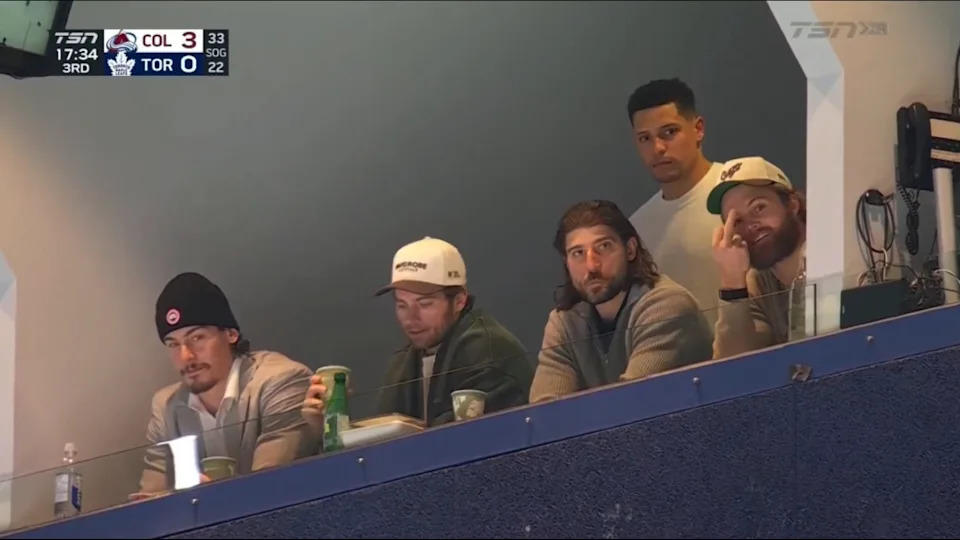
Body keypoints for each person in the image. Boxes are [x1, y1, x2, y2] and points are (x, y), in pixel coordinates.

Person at [301, 237, 533, 429]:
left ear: (459, 300)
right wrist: (329, 426)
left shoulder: (487, 350)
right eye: (402, 304)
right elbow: (385, 444)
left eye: (424, 304)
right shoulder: (404, 360)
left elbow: (462, 446)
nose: (410, 318)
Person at [136, 272, 318, 496]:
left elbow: (272, 488)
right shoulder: (165, 406)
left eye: (197, 338)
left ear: (231, 334)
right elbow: (147, 504)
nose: (186, 356)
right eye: (173, 344)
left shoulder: (281, 380)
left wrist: (208, 500)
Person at [529, 200, 713, 403]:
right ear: (567, 263)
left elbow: (630, 404)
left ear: (630, 250)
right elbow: (545, 414)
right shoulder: (564, 323)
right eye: (578, 253)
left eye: (603, 246)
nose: (591, 266)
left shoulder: (667, 305)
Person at [626, 78, 726, 327]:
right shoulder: (636, 229)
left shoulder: (739, 190)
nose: (658, 148)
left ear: (698, 129)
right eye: (645, 138)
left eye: (669, 132)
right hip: (675, 364)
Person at [707, 156, 806, 359]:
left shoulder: (834, 251)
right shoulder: (759, 281)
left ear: (792, 205)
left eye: (759, 208)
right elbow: (733, 366)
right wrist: (733, 285)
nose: (750, 225)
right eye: (738, 221)